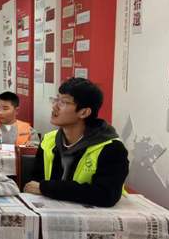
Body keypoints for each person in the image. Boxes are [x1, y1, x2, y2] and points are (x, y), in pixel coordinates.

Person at [24, 78, 129, 206]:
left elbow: (106, 195)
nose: (55, 106)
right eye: (56, 99)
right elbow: (33, 185)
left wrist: (47, 188)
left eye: (64, 102)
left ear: (84, 112)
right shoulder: (49, 140)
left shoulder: (111, 148)